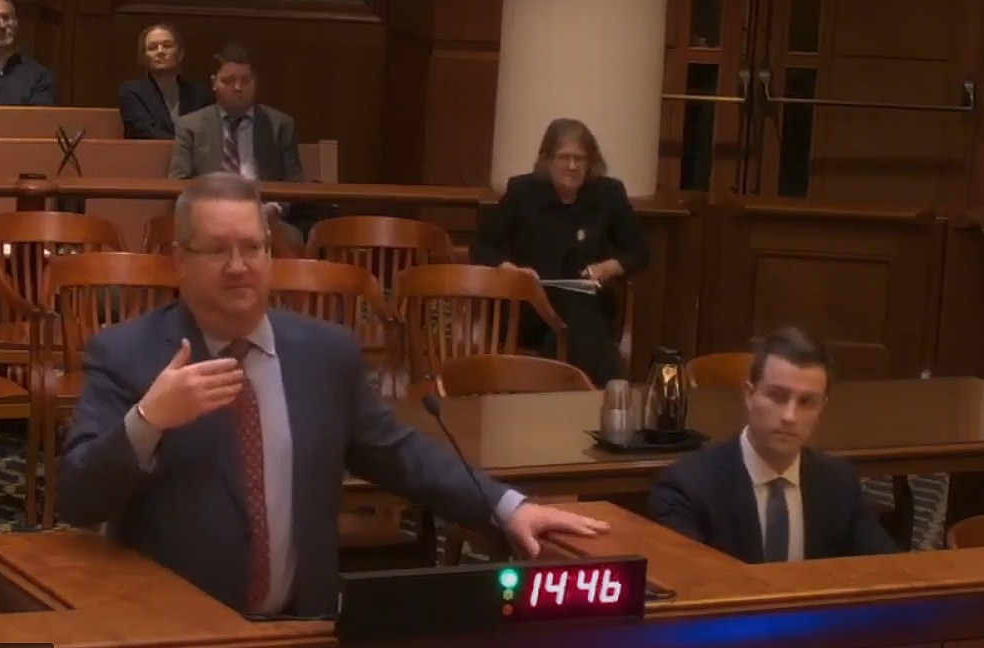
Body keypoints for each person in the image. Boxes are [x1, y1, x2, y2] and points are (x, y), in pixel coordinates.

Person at [58, 172, 608, 617]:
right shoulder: (126, 354)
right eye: (217, 250)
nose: (238, 266)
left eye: (252, 247)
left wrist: (509, 509)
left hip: (305, 627)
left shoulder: (324, 353)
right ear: (180, 260)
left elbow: (398, 454)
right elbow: (78, 499)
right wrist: (149, 419)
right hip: (180, 634)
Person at [648, 327, 900, 562]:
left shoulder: (838, 482)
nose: (790, 416)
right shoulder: (688, 487)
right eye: (777, 397)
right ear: (749, 395)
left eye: (806, 402)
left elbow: (884, 570)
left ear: (822, 407)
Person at [472, 118, 650, 387]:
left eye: (579, 159)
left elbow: (639, 251)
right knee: (570, 324)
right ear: (548, 160)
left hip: (588, 307)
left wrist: (608, 267)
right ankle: (609, 392)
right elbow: (482, 247)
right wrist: (512, 272)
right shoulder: (523, 192)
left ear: (591, 162)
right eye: (564, 157)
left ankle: (553, 399)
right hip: (529, 308)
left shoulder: (608, 194)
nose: (571, 166)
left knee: (567, 324)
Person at [169, 42, 303, 245]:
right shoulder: (190, 125)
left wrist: (274, 209)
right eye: (229, 81)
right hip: (209, 215)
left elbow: (294, 182)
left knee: (292, 239)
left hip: (264, 215)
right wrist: (209, 212)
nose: (238, 88)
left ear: (256, 82)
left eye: (246, 80)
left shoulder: (280, 124)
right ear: (214, 83)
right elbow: (178, 181)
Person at [118, 24, 213, 139]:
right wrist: (183, 145)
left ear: (180, 53)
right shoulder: (132, 92)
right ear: (143, 57)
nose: (160, 52)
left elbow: (207, 132)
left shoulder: (199, 93)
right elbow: (142, 130)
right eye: (152, 48)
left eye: (167, 46)